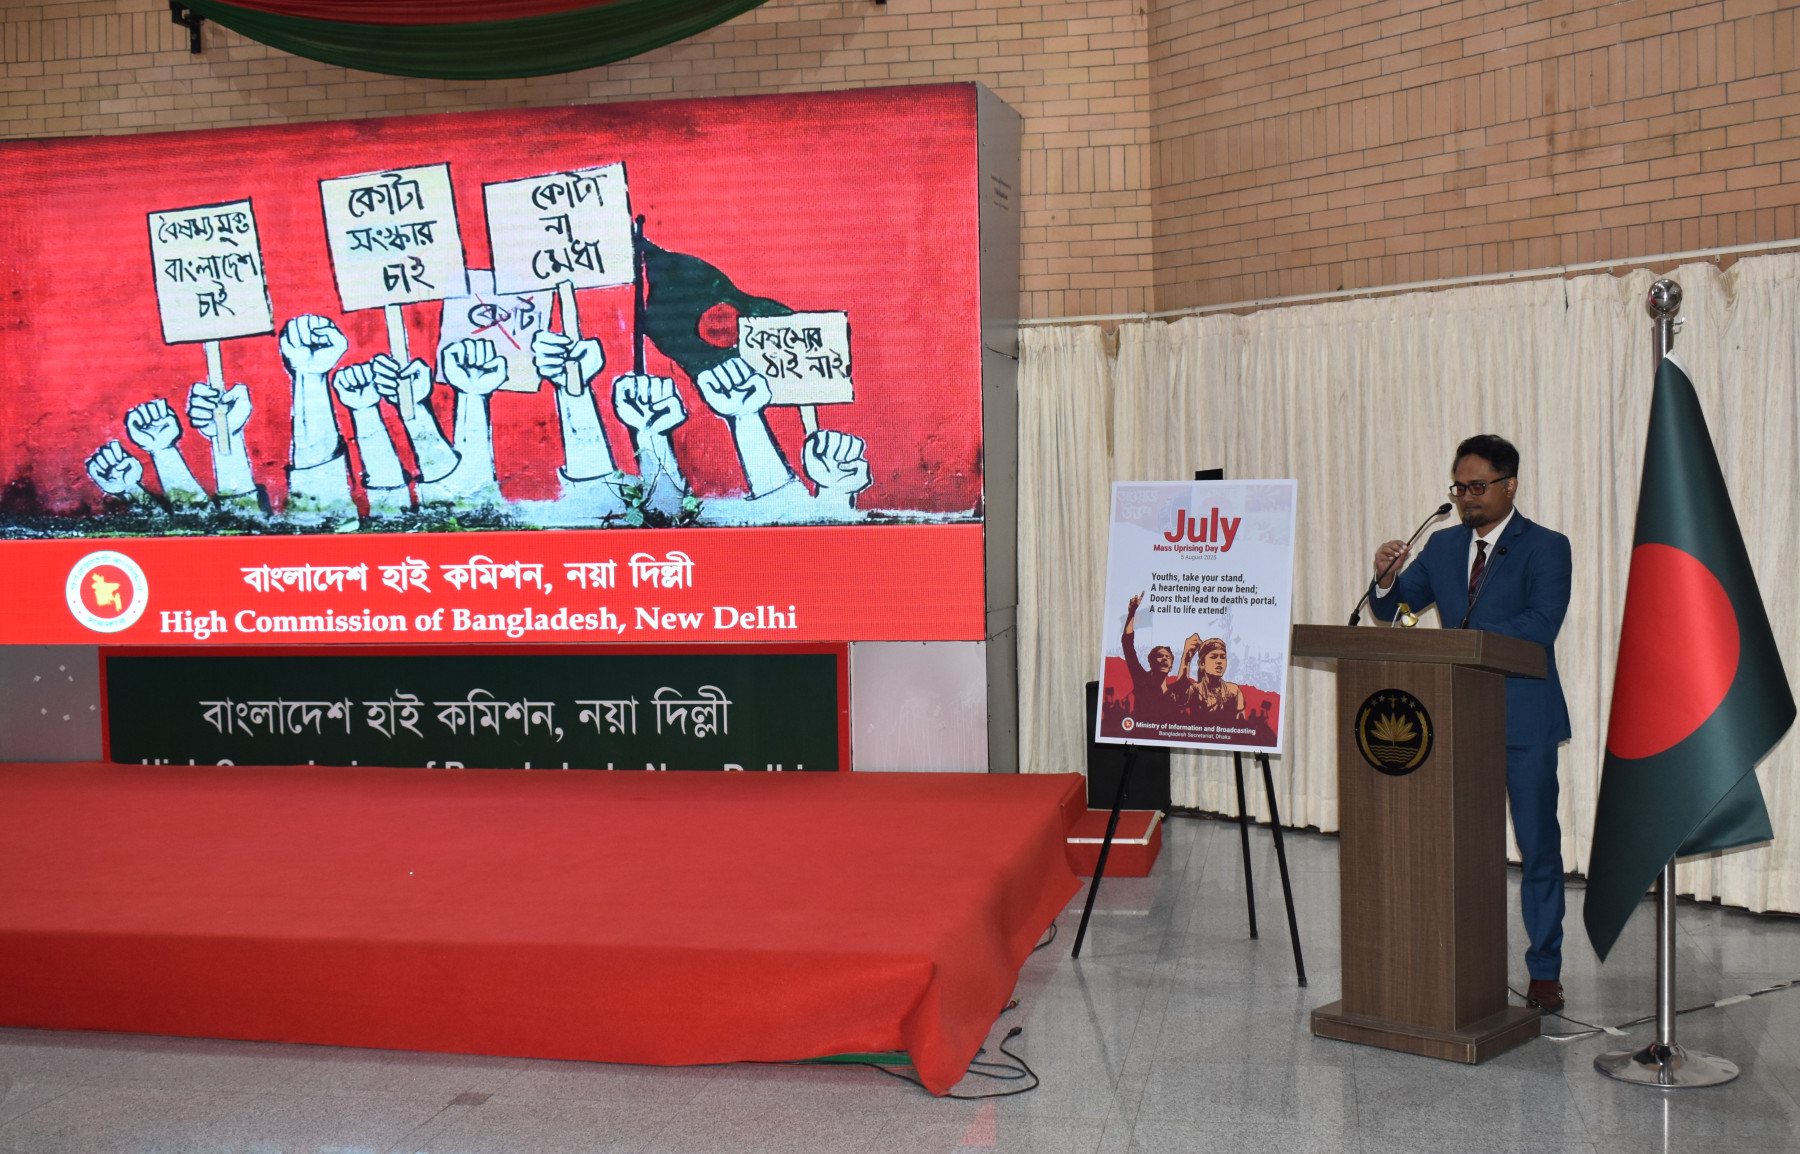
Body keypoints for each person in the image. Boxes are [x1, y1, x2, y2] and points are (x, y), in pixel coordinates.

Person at [1370, 434, 1572, 1013]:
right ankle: (1458, 959)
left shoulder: (1546, 547)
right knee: (1458, 849)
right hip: (1456, 717)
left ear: (1510, 485)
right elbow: (1396, 612)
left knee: (1538, 848)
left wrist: (1463, 641)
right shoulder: (1442, 545)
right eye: (1459, 487)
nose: (1465, 497)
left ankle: (1545, 971)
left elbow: (1541, 624)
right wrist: (1385, 579)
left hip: (1524, 720)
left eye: (1477, 486)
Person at [1120, 592, 1179, 725]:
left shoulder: (1174, 696)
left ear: (1171, 666)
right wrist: (1132, 612)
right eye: (1160, 656)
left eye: (1168, 657)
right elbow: (1127, 645)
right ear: (1151, 661)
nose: (1164, 659)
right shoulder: (1141, 679)